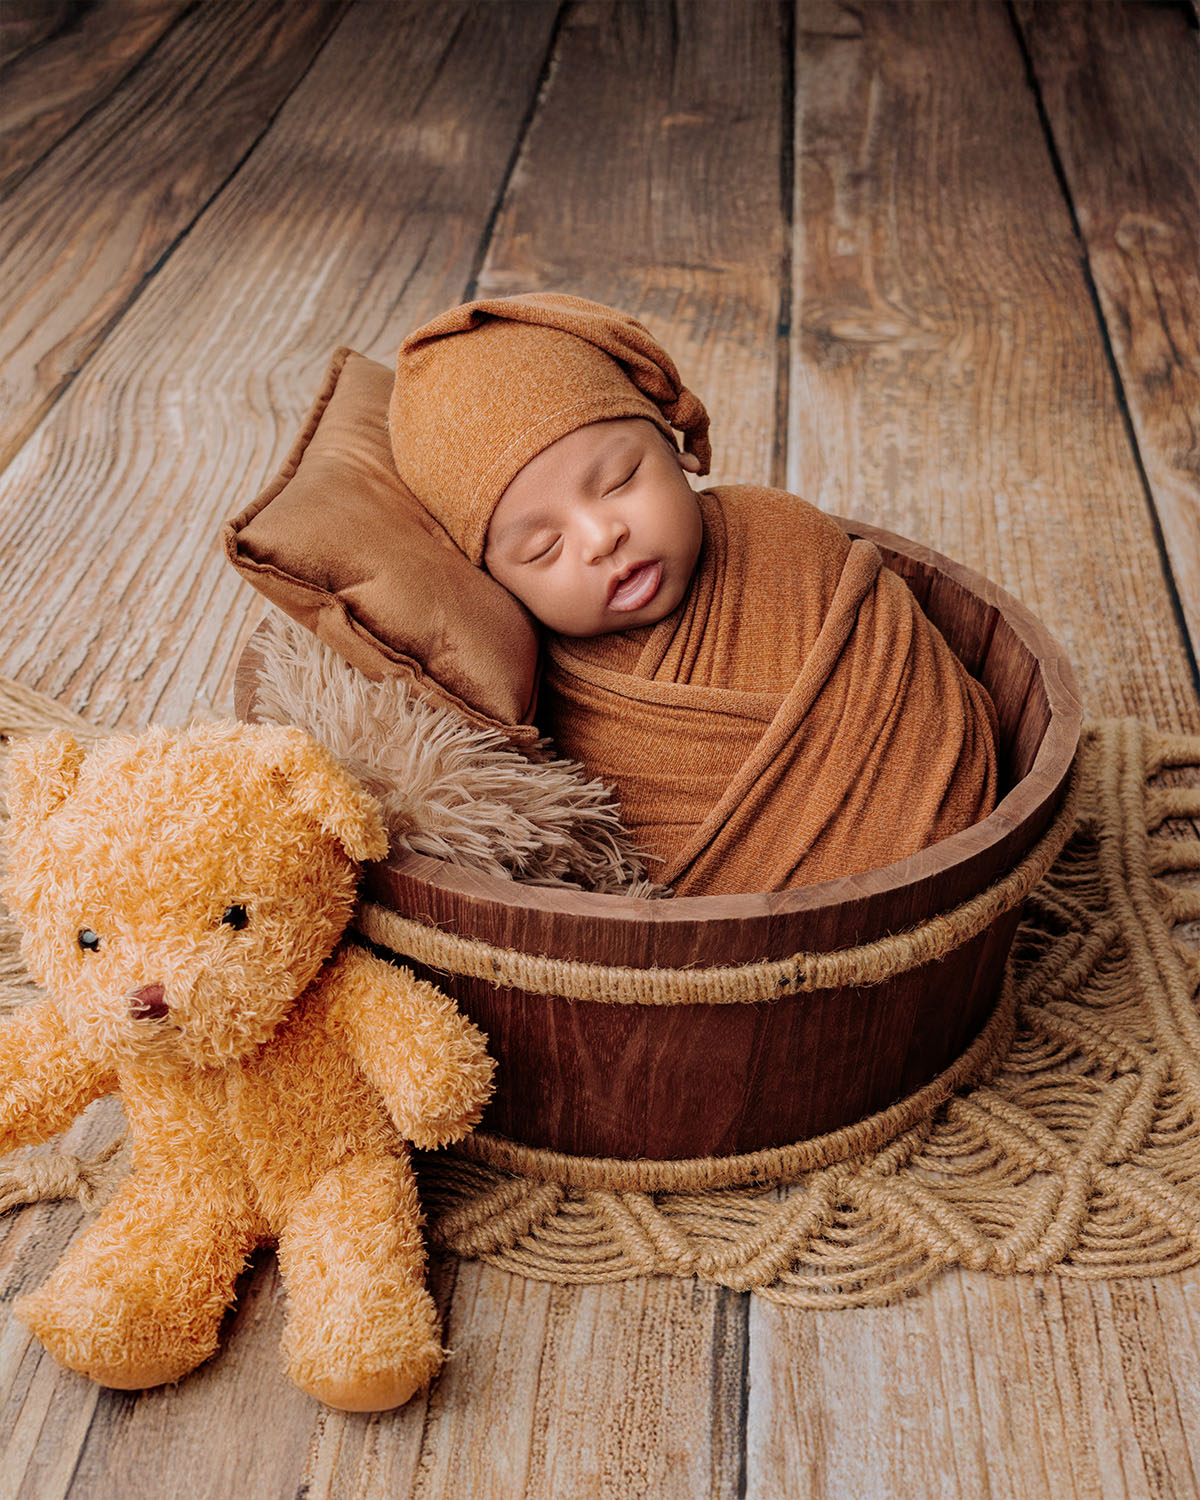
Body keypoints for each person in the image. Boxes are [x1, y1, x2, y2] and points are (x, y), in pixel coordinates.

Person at [388, 292, 999, 896]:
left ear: (674, 447)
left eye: (621, 480)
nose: (602, 538)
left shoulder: (781, 532)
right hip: (729, 952)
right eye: (543, 548)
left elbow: (912, 684)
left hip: (966, 861)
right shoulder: (536, 692)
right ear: (495, 582)